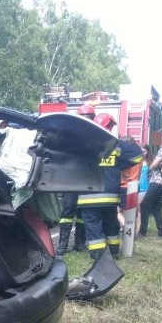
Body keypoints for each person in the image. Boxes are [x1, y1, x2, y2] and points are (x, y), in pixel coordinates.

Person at [78, 113, 143, 259]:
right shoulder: (116, 145)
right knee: (111, 223)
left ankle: (98, 256)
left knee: (93, 225)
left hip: (88, 195)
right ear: (110, 127)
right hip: (110, 195)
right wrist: (118, 165)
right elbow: (138, 155)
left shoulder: (83, 144)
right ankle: (113, 253)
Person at [55, 102, 96, 255]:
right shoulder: (69, 135)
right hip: (71, 179)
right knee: (68, 211)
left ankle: (79, 243)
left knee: (83, 213)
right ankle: (62, 245)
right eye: (85, 116)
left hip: (87, 179)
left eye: (90, 117)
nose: (88, 119)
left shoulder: (95, 134)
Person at [138, 129, 162, 238]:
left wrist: (150, 167)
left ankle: (142, 232)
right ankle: (161, 232)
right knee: (155, 207)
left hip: (158, 180)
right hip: (160, 180)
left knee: (144, 204)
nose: (154, 139)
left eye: (156, 136)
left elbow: (154, 165)